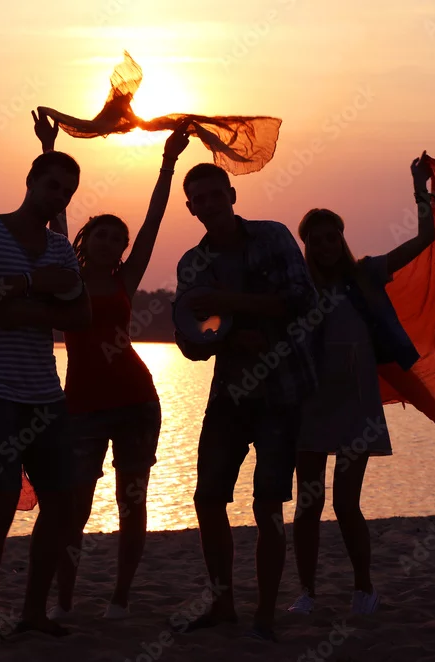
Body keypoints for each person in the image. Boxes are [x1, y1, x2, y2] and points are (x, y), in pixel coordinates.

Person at [30, 111, 193, 619]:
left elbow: (154, 220)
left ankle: (120, 598)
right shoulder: (68, 274)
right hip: (80, 405)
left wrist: (167, 163)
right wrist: (48, 147)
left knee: (132, 503)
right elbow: (56, 214)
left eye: (116, 238)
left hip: (136, 401)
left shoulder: (126, 278)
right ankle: (63, 602)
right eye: (101, 235)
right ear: (86, 240)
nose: (110, 242)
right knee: (73, 509)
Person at [0, 150, 92, 639]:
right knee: (2, 503)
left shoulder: (61, 250)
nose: (59, 197)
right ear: (30, 181)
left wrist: (24, 308)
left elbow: (81, 316)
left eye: (68, 192)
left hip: (45, 393)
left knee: (61, 504)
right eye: (53, 186)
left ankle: (33, 612)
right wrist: (32, 283)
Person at [173, 163, 318, 642]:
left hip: (283, 393)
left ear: (232, 195)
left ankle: (266, 615)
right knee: (207, 499)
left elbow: (301, 300)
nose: (209, 204)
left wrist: (228, 303)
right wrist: (226, 336)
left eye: (216, 194)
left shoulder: (273, 236)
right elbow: (192, 341)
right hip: (228, 396)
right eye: (200, 198)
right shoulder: (191, 264)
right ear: (190, 208)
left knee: (268, 505)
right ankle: (223, 605)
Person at [288, 153, 434, 617]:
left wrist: (420, 188)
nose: (326, 246)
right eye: (316, 240)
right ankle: (307, 593)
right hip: (311, 405)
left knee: (346, 504)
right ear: (307, 245)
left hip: (357, 406)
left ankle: (363, 589)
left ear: (342, 238)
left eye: (332, 237)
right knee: (308, 504)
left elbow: (425, 239)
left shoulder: (366, 274)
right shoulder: (300, 290)